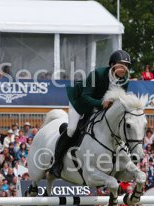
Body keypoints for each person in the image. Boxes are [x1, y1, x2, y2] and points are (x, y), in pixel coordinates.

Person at [52, 49, 131, 177]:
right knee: (71, 130)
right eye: (121, 65)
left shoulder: (124, 81)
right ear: (112, 64)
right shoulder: (98, 74)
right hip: (79, 101)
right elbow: (85, 96)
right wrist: (101, 103)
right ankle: (56, 162)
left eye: (126, 65)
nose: (124, 68)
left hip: (100, 107)